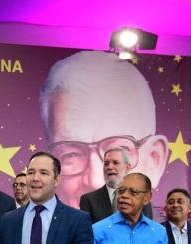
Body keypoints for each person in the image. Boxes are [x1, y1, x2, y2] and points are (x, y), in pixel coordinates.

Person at [39, 51, 169, 209]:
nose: (95, 181)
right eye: (71, 155)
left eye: (120, 152)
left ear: (154, 159)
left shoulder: (149, 221)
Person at [78, 148, 153, 223]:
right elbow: (86, 231)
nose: (109, 167)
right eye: (106, 163)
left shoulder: (141, 197)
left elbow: (147, 228)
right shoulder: (88, 200)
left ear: (127, 167)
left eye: (115, 163)